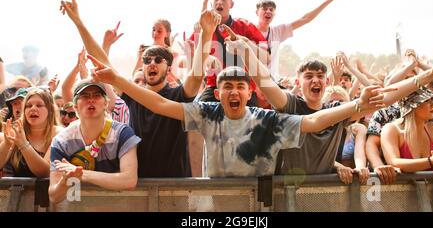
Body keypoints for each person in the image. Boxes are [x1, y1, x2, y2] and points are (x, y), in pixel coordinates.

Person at [88, 54, 387, 177]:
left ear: (249, 92)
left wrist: (358, 106)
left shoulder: (266, 119)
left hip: (260, 210)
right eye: (227, 87)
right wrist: (119, 80)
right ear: (217, 94)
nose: (233, 92)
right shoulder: (208, 113)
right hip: (216, 207)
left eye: (240, 87)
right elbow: (160, 105)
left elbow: (314, 121)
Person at [220, 28, 433, 180]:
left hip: (325, 194)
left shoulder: (335, 111)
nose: (315, 80)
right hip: (287, 193)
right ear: (299, 83)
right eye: (308, 76)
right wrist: (245, 50)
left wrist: (428, 76)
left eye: (320, 76)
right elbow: (266, 81)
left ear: (327, 81)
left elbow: (385, 96)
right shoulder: (290, 105)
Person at [59, 0, 220, 178]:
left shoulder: (179, 95)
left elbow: (197, 74)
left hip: (175, 187)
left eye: (158, 60)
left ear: (169, 69)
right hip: (138, 184)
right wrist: (78, 21)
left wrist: (207, 33)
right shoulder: (132, 93)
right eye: (147, 60)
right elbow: (101, 59)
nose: (151, 63)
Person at [48, 80, 140, 204]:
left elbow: (129, 180)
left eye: (97, 95)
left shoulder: (122, 133)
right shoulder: (61, 141)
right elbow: (54, 197)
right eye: (85, 96)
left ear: (106, 103)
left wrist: (82, 174)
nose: (91, 100)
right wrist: (64, 181)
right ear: (75, 107)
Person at [190, 0, 270, 106]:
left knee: (252, 122)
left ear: (231, 4)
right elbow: (191, 57)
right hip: (214, 86)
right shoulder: (202, 28)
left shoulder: (246, 26)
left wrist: (245, 43)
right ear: (211, 3)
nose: (219, 2)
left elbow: (266, 58)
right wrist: (206, 58)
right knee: (199, 116)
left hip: (243, 85)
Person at [255, 0, 338, 75]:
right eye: (265, 9)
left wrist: (328, 1)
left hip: (270, 81)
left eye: (271, 9)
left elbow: (305, 19)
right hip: (251, 80)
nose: (268, 11)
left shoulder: (278, 31)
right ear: (257, 12)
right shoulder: (247, 29)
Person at [381, 87, 433, 172]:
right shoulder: (391, 129)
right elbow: (393, 162)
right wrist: (431, 162)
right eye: (426, 101)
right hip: (405, 185)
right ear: (413, 106)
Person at [0, 88, 63, 177]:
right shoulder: (16, 131)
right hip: (16, 191)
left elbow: (45, 173)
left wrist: (24, 145)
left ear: (50, 110)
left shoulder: (59, 133)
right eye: (28, 106)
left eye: (39, 105)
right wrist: (6, 144)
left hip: (45, 190)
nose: (33, 108)